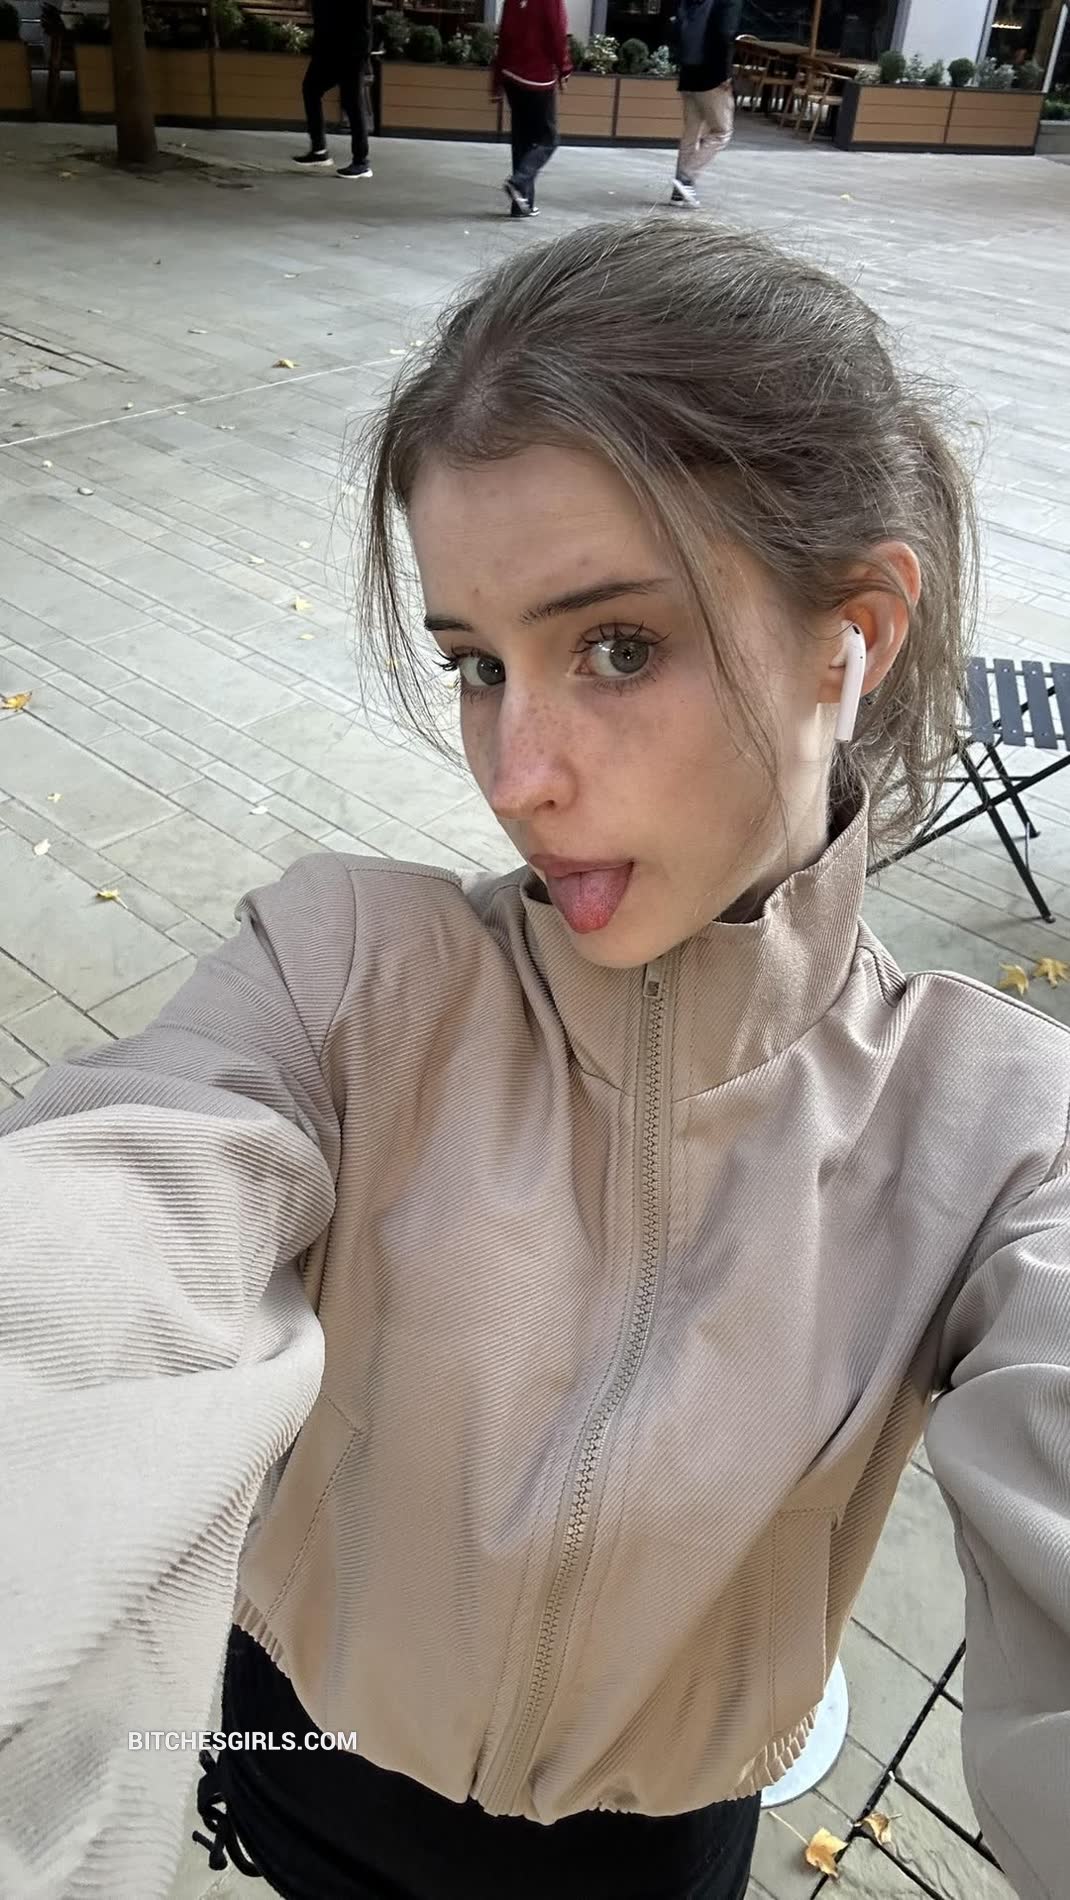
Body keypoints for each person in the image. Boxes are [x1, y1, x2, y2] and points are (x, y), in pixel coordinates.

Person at [2, 220, 1069, 1900]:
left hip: (648, 1856)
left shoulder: (996, 1138)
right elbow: (88, 1263)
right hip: (298, 1763)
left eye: (617, 647)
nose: (515, 773)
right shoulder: (345, 975)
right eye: (478, 666)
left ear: (849, 635)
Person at [492, 0, 571, 217]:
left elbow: (504, 36)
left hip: (511, 76)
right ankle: (519, 182)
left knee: (522, 140)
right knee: (549, 139)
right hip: (538, 77)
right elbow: (558, 33)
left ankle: (521, 205)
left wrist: (497, 81)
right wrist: (564, 68)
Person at [670, 0, 742, 207]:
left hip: (688, 73)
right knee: (721, 132)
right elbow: (725, 35)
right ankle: (686, 178)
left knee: (691, 133)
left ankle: (678, 193)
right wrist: (726, 74)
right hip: (712, 76)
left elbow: (676, 30)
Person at [292, 0, 373, 180]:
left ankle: (361, 162)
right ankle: (319, 150)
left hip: (351, 48)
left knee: (352, 101)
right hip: (329, 48)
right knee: (311, 89)